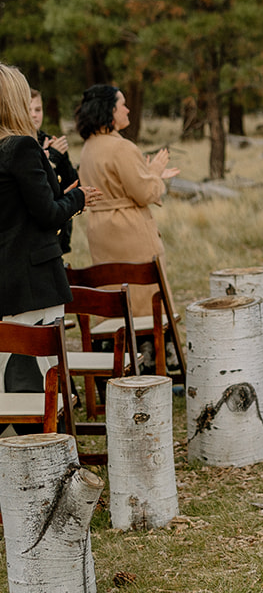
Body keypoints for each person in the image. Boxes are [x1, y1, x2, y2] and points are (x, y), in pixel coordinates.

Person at [0, 65, 98, 395]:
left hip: (5, 274)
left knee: (6, 363)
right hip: (32, 275)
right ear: (15, 100)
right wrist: (78, 197)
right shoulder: (21, 148)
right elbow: (48, 215)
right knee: (39, 366)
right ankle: (41, 440)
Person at [75, 85, 179, 321]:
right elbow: (143, 193)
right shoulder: (121, 147)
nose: (128, 109)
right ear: (110, 110)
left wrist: (150, 174)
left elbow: (119, 184)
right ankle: (152, 352)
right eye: (122, 104)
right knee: (143, 300)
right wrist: (154, 172)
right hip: (129, 231)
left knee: (113, 293)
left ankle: (118, 349)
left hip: (100, 230)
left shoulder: (88, 148)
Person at [28, 88, 78, 254]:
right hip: (34, 238)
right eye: (29, 109)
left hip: (60, 230)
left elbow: (73, 183)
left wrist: (62, 158)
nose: (35, 115)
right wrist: (51, 160)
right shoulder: (17, 146)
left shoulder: (49, 140)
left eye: (38, 109)